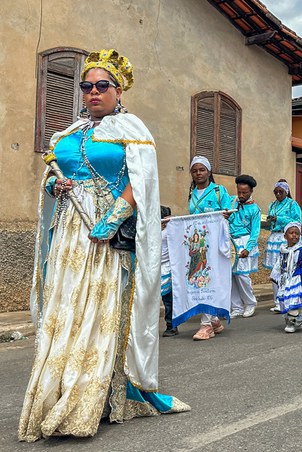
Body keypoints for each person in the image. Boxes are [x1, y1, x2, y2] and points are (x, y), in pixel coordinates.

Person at [20, 49, 189, 442]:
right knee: (64, 313)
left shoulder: (132, 129)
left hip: (104, 236)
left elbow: (140, 182)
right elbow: (49, 176)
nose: (93, 92)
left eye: (102, 86)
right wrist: (54, 185)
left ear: (118, 90)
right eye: (86, 86)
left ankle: (89, 401)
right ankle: (57, 393)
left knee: (98, 314)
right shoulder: (67, 135)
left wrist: (111, 220)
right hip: (68, 234)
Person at [187, 155, 232, 340]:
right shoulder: (191, 193)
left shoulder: (219, 191)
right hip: (196, 246)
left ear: (209, 171)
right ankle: (213, 320)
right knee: (199, 280)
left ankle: (206, 325)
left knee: (207, 281)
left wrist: (224, 216)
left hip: (214, 246)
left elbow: (229, 215)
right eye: (195, 171)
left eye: (202, 170)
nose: (198, 173)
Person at [264, 179, 302, 310]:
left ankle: (288, 298)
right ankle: (277, 301)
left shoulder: (293, 204)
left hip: (286, 238)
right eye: (276, 192)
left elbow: (297, 222)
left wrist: (279, 219)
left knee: (287, 269)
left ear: (286, 192)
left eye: (281, 191)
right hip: (274, 237)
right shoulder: (272, 205)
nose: (278, 194)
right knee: (275, 271)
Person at [228, 174, 260, 318]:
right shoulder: (231, 202)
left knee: (242, 275)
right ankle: (236, 307)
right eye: (239, 191)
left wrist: (248, 248)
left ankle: (250, 302)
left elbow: (255, 232)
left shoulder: (255, 209)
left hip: (244, 242)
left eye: (244, 193)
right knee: (231, 276)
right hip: (230, 241)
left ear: (251, 192)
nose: (240, 195)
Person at [270, 222, 302, 332]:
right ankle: (295, 320)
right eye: (291, 233)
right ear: (285, 236)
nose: (294, 235)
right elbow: (279, 264)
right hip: (285, 280)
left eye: (297, 233)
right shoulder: (283, 250)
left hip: (296, 279)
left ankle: (291, 323)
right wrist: (275, 276)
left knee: (294, 300)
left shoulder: (300, 250)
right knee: (286, 301)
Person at [160, 206, 177, 336]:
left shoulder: (170, 230)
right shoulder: (149, 229)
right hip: (153, 268)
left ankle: (171, 326)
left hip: (167, 267)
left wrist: (172, 220)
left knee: (168, 299)